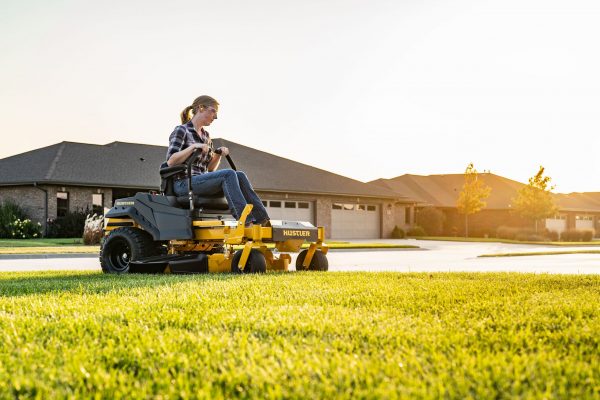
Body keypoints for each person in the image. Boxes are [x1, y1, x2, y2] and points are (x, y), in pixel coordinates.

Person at [166, 95, 270, 226]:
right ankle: (245, 220)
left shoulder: (206, 136)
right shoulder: (182, 130)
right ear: (201, 108)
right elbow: (171, 161)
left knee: (240, 175)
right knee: (228, 173)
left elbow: (209, 169)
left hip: (201, 180)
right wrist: (193, 147)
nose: (215, 117)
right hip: (183, 183)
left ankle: (262, 220)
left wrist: (217, 154)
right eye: (213, 111)